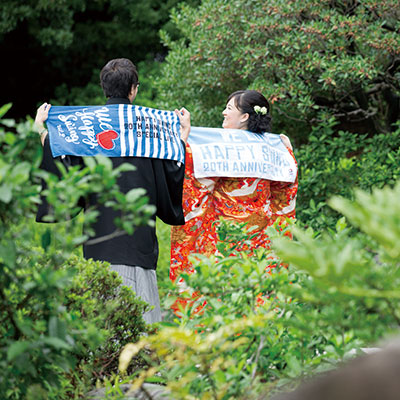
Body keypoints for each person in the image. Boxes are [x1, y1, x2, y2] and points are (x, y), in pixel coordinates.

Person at [35, 58, 191, 323]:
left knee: (103, 329)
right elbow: (170, 171)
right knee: (143, 331)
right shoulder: (150, 127)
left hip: (100, 244)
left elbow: (64, 166)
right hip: (140, 245)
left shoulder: (84, 127)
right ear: (133, 89)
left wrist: (41, 129)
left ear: (103, 87)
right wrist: (182, 136)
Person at [170, 90, 298, 285]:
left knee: (226, 288)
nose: (224, 112)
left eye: (229, 108)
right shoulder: (270, 145)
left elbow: (195, 177)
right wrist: (287, 152)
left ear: (244, 117)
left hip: (229, 236)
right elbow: (284, 187)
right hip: (256, 236)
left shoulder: (225, 145)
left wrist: (185, 134)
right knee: (256, 286)